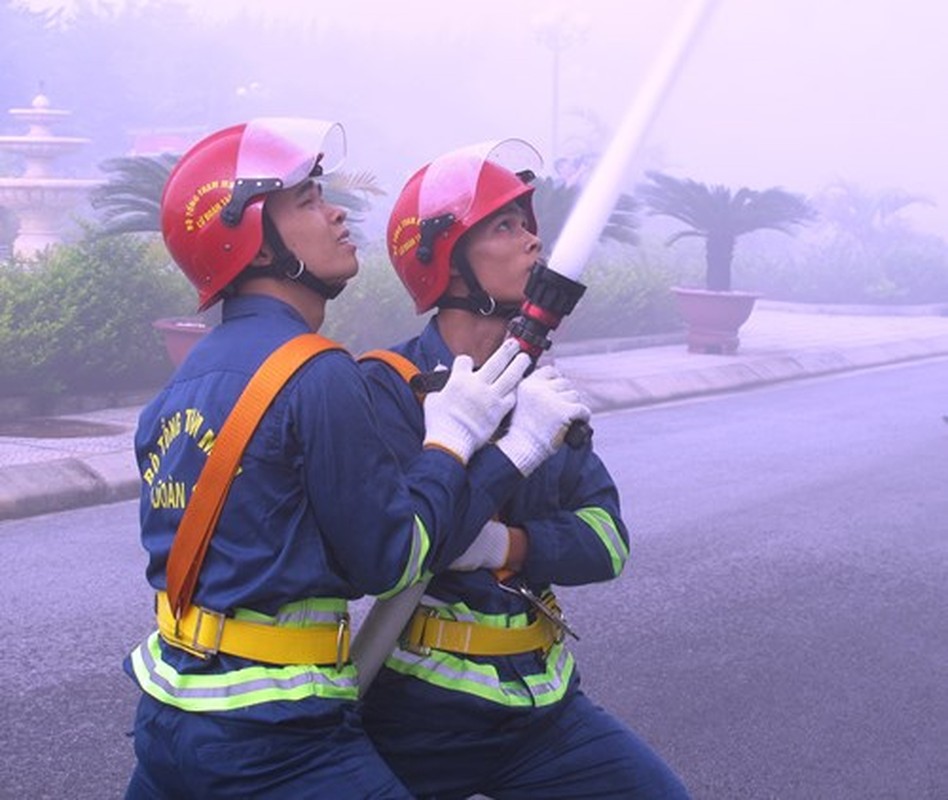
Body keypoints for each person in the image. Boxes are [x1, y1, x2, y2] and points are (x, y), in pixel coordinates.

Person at [122, 119, 584, 799]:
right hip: (274, 740)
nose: (335, 210)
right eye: (306, 201)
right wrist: (464, 442)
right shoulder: (319, 375)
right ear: (249, 237)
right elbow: (393, 559)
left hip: (169, 718)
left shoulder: (187, 382)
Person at [359, 139, 692, 799]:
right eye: (504, 227)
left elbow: (607, 542)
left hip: (544, 707)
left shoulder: (541, 391)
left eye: (529, 224)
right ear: (446, 262)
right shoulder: (387, 389)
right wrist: (506, 457)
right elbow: (406, 547)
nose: (532, 242)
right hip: (421, 715)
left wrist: (508, 546)